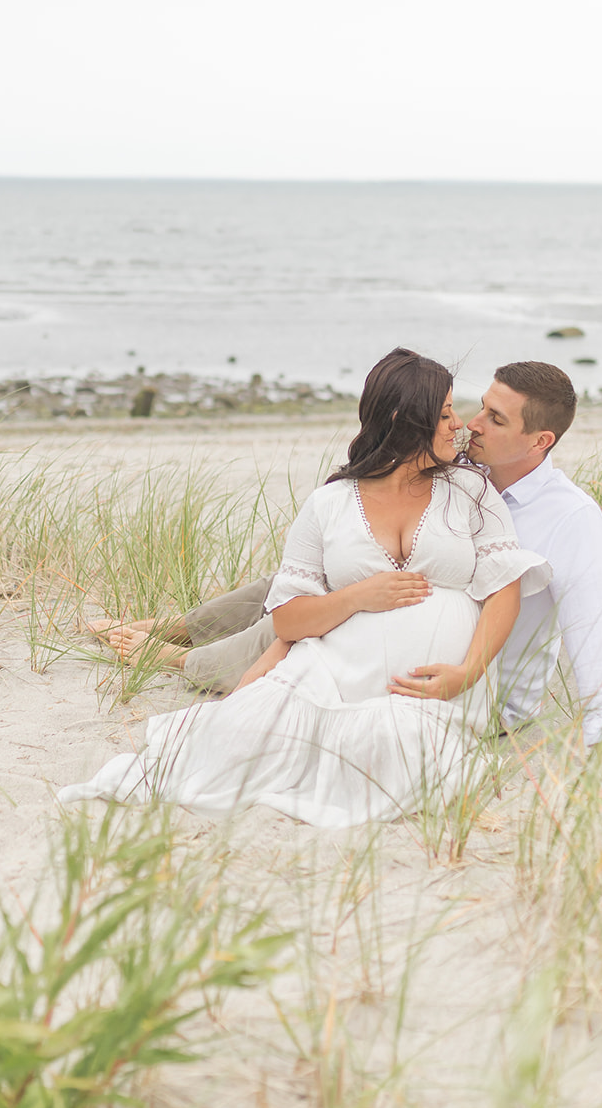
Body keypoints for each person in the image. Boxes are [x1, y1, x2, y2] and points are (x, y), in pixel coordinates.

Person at [62, 349, 550, 829]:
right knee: (242, 736)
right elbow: (289, 620)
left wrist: (467, 673)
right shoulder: (330, 503)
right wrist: (360, 595)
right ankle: (180, 648)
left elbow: (502, 591)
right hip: (330, 670)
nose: (459, 424)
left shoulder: (470, 492)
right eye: (445, 414)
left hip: (433, 689)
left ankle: (175, 645)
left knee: (396, 753)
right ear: (407, 420)